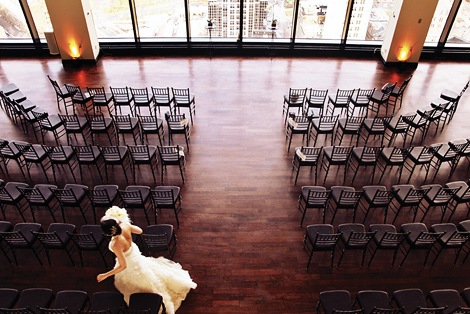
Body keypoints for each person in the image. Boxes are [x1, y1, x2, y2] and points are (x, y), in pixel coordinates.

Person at [97, 206, 197, 314]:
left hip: (129, 262)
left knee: (140, 282)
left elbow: (123, 266)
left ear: (108, 233)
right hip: (133, 252)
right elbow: (139, 231)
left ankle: (151, 299)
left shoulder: (115, 244)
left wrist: (105, 275)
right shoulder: (125, 225)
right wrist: (127, 225)